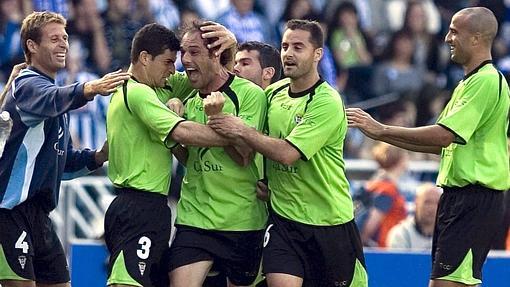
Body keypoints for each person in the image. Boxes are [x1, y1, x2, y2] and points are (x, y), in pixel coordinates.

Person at [347, 7, 509, 287]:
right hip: (461, 198)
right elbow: (443, 144)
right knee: (453, 281)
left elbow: (443, 136)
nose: (447, 38)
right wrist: (380, 134)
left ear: (477, 38)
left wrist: (381, 129)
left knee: (446, 283)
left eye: (455, 31)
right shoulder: (469, 82)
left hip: (473, 198)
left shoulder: (485, 81)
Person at [208, 19, 368, 287]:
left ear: (318, 54)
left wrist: (241, 130)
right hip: (285, 224)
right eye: (284, 46)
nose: (288, 54)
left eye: (298, 47)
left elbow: (286, 154)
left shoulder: (326, 101)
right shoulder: (274, 94)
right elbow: (238, 90)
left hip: (329, 224)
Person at [0, 11, 130, 287]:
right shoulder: (26, 84)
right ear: (32, 46)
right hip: (9, 212)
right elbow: (52, 97)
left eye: (66, 38)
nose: (64, 45)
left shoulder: (55, 96)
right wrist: (89, 88)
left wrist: (98, 156)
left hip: (40, 217)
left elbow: (63, 162)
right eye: (54, 39)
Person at [104, 23, 237, 287]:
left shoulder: (162, 87)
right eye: (167, 62)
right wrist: (238, 135)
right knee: (127, 283)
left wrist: (229, 46)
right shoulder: (137, 92)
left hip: (153, 207)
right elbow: (183, 131)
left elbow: (214, 73)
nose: (172, 70)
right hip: (137, 205)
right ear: (144, 58)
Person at [167, 20, 267, 287]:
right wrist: (173, 135)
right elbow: (191, 159)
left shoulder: (249, 95)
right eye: (183, 52)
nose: (185, 60)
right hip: (195, 218)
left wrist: (216, 118)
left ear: (215, 55)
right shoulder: (188, 98)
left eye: (195, 52)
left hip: (242, 220)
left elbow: (244, 156)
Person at [360, 142, 408, 248]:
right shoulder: (387, 189)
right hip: (383, 247)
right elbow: (371, 224)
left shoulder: (376, 182)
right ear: (400, 160)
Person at [387, 183, 442, 250]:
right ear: (416, 203)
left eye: (437, 203)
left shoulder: (447, 234)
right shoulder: (401, 234)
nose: (432, 208)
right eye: (427, 202)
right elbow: (398, 260)